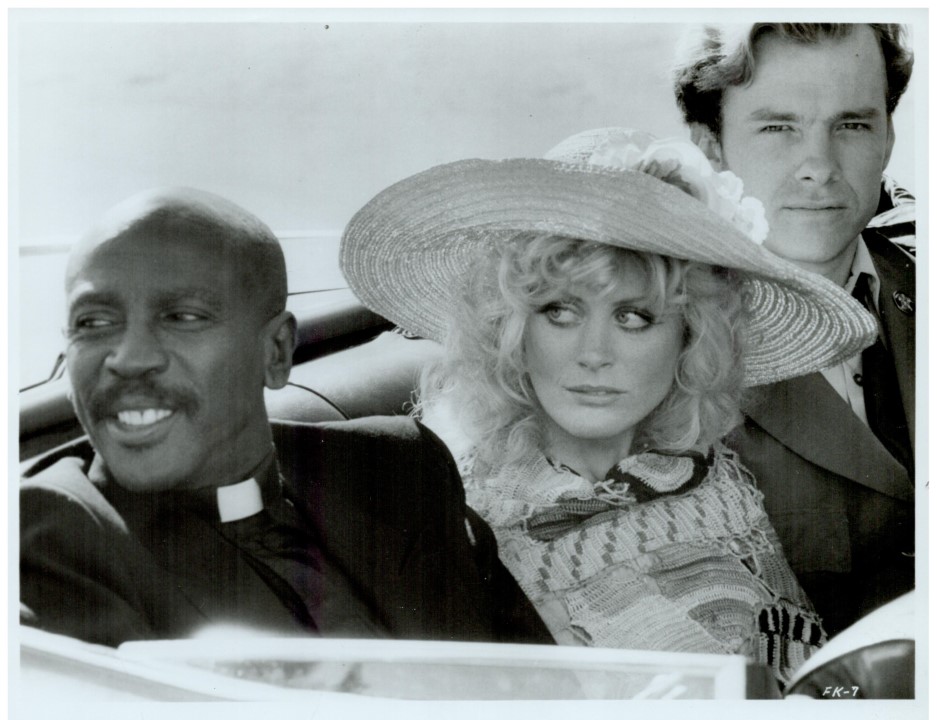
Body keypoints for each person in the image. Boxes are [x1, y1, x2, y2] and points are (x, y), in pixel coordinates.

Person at [340, 127, 879, 687]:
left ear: (690, 338)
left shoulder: (708, 481)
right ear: (512, 328)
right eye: (560, 312)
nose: (594, 354)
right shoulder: (458, 516)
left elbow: (801, 672)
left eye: (634, 317)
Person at [20, 187, 551, 648]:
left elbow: (547, 694)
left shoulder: (399, 467)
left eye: (182, 317)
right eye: (92, 322)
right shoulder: (51, 535)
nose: (128, 358)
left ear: (276, 352)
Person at [672, 23, 916, 636]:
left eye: (852, 125)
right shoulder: (662, 344)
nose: (819, 167)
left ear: (888, 138)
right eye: (778, 127)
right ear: (711, 147)